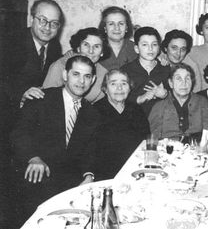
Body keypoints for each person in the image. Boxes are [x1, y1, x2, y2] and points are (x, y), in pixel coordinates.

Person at [11, 56, 100, 224]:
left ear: (93, 80)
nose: (81, 81)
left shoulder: (92, 113)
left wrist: (89, 175)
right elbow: (19, 133)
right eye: (76, 74)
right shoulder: (42, 99)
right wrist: (33, 157)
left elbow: (90, 150)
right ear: (65, 75)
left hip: (67, 180)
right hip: (35, 174)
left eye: (87, 76)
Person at [93, 69, 150, 180]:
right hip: (105, 175)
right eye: (113, 83)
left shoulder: (136, 110)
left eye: (124, 83)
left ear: (129, 88)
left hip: (135, 171)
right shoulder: (94, 112)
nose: (119, 88)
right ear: (105, 89)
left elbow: (146, 141)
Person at [7, 0, 63, 109]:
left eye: (54, 23)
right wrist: (21, 94)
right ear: (31, 19)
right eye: (43, 20)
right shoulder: (10, 43)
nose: (47, 27)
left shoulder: (55, 46)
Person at [42, 27, 108, 103]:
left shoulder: (103, 73)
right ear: (78, 48)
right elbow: (46, 98)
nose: (90, 51)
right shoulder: (61, 65)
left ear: (102, 52)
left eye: (96, 46)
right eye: (86, 45)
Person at [148, 63, 208, 140]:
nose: (184, 83)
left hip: (196, 148)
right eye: (178, 79)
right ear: (171, 83)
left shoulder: (202, 102)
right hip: (168, 149)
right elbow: (153, 136)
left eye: (187, 78)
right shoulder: (160, 106)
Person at [121, 26, 170, 115]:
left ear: (159, 48)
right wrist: (139, 99)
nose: (150, 48)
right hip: (132, 120)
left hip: (160, 120)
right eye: (145, 45)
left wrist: (164, 94)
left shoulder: (165, 69)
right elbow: (117, 95)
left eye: (154, 44)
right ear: (136, 49)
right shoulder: (126, 70)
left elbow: (177, 95)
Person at [98, 6, 137, 70]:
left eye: (121, 24)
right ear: (105, 28)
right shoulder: (96, 48)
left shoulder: (136, 49)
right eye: (111, 24)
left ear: (126, 28)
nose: (117, 28)